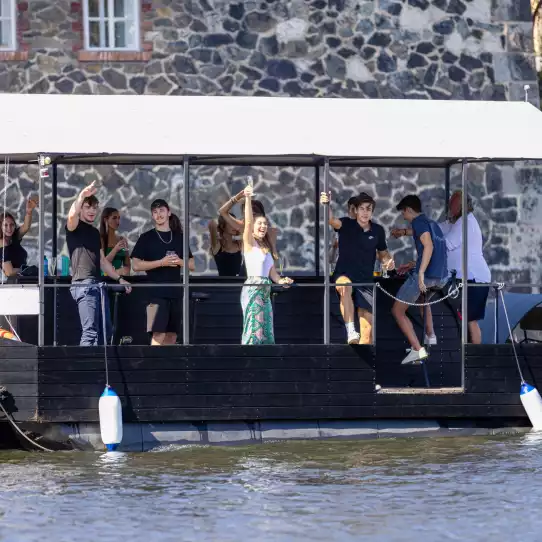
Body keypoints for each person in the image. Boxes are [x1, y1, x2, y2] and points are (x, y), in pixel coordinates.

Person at [321, 191, 395, 345]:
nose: (365, 212)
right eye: (362, 208)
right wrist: (326, 204)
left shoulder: (378, 230)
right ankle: (350, 329)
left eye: (368, 209)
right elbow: (330, 220)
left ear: (372, 211)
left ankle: (361, 367)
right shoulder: (346, 224)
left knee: (367, 337)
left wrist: (388, 262)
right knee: (345, 285)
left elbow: (383, 254)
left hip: (365, 281)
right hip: (344, 274)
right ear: (356, 210)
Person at [66, 182, 131, 346]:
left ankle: (99, 369)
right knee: (90, 333)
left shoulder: (95, 232)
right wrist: (81, 195)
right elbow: (71, 216)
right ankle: (87, 369)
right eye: (88, 207)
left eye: (95, 208)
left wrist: (120, 279)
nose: (92, 211)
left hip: (97, 285)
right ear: (81, 208)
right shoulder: (74, 227)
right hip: (84, 285)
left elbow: (103, 261)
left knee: (106, 332)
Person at [391, 195, 448, 365]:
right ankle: (430, 336)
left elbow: (428, 245)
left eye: (403, 213)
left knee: (397, 311)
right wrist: (414, 263)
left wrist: (420, 272)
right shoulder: (432, 224)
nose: (403, 217)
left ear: (408, 209)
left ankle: (417, 349)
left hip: (427, 276)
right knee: (423, 300)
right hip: (441, 277)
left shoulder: (418, 223)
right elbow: (434, 250)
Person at [131, 199, 195, 346]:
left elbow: (192, 264)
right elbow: (135, 265)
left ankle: (167, 368)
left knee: (172, 336)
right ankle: (153, 367)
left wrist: (178, 261)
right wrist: (161, 262)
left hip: (176, 293)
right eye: (155, 212)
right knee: (158, 334)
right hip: (155, 294)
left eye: (161, 211)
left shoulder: (179, 237)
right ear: (152, 216)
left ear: (169, 212)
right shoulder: (146, 238)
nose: (158, 214)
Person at [241, 184, 292, 345]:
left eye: (265, 224)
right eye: (260, 224)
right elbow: (248, 222)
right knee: (253, 328)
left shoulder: (267, 248)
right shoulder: (249, 243)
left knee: (266, 330)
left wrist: (283, 281)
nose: (263, 226)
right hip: (253, 289)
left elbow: (273, 274)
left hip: (265, 291)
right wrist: (248, 198)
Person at [439, 191, 490, 344]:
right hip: (464, 278)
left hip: (474, 278)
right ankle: (467, 355)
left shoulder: (465, 222)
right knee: (464, 319)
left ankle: (473, 357)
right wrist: (409, 231)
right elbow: (436, 229)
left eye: (452, 203)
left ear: (461, 205)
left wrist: (425, 254)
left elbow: (446, 244)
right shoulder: (456, 222)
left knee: (470, 320)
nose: (449, 206)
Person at [219, 189, 279, 260]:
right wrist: (237, 197)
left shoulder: (271, 232)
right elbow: (222, 211)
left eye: (251, 214)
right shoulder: (242, 227)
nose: (248, 217)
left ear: (261, 215)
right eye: (245, 214)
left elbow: (274, 258)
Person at [0, 197, 38, 277]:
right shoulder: (2, 242)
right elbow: (9, 272)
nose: (9, 228)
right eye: (5, 225)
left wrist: (29, 212)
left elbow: (25, 227)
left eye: (12, 225)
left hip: (18, 283)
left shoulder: (14, 238)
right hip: (7, 287)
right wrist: (25, 269)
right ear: (0, 227)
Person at [329, 195, 359, 271]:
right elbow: (330, 259)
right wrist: (326, 204)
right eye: (353, 208)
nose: (355, 211)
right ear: (349, 209)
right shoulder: (343, 223)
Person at [100, 207, 131, 276]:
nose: (117, 221)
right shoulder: (99, 239)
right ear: (105, 220)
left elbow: (127, 266)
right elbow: (101, 265)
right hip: (104, 280)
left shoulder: (122, 240)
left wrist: (123, 272)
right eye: (114, 218)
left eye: (119, 218)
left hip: (119, 280)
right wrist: (115, 249)